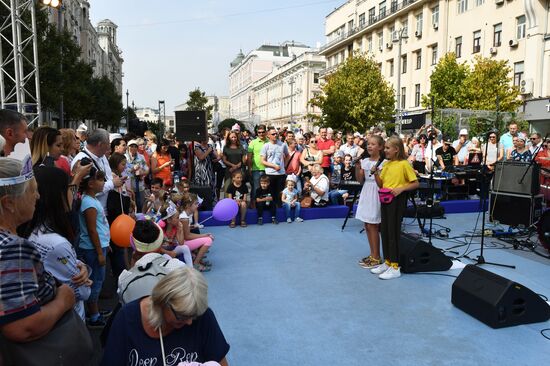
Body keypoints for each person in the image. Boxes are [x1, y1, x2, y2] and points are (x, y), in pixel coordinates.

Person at [0, 157, 88, 361]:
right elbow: (22, 327)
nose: (38, 197)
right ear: (9, 203)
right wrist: (64, 300)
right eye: (32, 191)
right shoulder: (13, 247)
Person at [101, 267, 230, 366]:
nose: (190, 322)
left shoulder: (203, 316)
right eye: (182, 316)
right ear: (162, 302)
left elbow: (220, 362)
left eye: (194, 316)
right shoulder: (127, 318)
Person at [19, 166, 91, 320]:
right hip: (68, 321)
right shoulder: (56, 243)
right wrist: (83, 279)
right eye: (69, 188)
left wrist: (80, 265)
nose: (73, 194)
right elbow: (83, 292)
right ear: (55, 195)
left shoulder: (32, 231)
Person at [372, 136, 419, 280]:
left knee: (393, 232)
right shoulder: (386, 164)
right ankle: (387, 261)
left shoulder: (404, 164)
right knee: (384, 231)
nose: (384, 150)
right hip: (385, 199)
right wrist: (376, 173)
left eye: (387, 148)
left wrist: (401, 189)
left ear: (396, 149)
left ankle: (395, 266)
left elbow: (415, 183)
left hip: (397, 201)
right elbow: (381, 184)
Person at [78, 166, 110, 327]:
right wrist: (99, 252)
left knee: (98, 279)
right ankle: (94, 315)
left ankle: (94, 310)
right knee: (96, 281)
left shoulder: (92, 199)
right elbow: (92, 230)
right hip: (92, 249)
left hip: (99, 246)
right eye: (100, 179)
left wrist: (106, 245)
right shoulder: (88, 203)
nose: (104, 182)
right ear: (90, 183)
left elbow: (99, 227)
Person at [72, 128, 123, 213]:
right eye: (108, 144)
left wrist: (113, 179)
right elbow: (86, 191)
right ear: (100, 144)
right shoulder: (81, 160)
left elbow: (108, 176)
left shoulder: (101, 155)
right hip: (93, 212)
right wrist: (112, 183)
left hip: (106, 209)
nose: (109, 147)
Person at [355, 135, 384, 269]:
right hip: (366, 191)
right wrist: (358, 168)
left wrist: (376, 172)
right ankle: (372, 254)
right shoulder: (365, 160)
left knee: (373, 225)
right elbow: (361, 180)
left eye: (373, 144)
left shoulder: (383, 163)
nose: (369, 146)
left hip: (375, 192)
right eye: (368, 144)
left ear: (380, 147)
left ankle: (377, 257)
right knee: (367, 225)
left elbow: (382, 184)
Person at [177, 194, 214, 272]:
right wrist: (204, 235)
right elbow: (187, 236)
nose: (198, 205)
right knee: (208, 240)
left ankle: (197, 259)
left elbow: (185, 229)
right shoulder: (184, 218)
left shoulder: (185, 214)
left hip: (182, 241)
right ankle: (196, 263)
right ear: (188, 205)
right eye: (196, 204)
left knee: (206, 238)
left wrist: (192, 226)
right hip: (181, 244)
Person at [260, 126, 288, 206]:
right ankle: (271, 211)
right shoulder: (266, 146)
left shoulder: (283, 144)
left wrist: (284, 165)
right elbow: (262, 161)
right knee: (270, 193)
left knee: (280, 193)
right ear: (268, 135)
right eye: (273, 134)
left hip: (281, 173)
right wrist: (273, 166)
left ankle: (279, 210)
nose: (275, 135)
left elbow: (287, 155)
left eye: (276, 133)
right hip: (270, 173)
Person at [247, 124, 268, 208]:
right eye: (259, 132)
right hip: (256, 169)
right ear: (257, 133)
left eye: (263, 132)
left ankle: (264, 204)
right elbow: (249, 156)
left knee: (266, 187)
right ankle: (253, 203)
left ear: (265, 132)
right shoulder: (253, 142)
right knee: (256, 187)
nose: (261, 134)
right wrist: (249, 168)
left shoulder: (269, 141)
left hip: (268, 169)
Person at [125, 139, 149, 212]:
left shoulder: (141, 157)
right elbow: (123, 171)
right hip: (128, 186)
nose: (133, 148)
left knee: (140, 205)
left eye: (135, 146)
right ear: (128, 147)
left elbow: (147, 169)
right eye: (131, 146)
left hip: (140, 185)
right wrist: (132, 169)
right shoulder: (124, 157)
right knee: (130, 207)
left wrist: (142, 173)